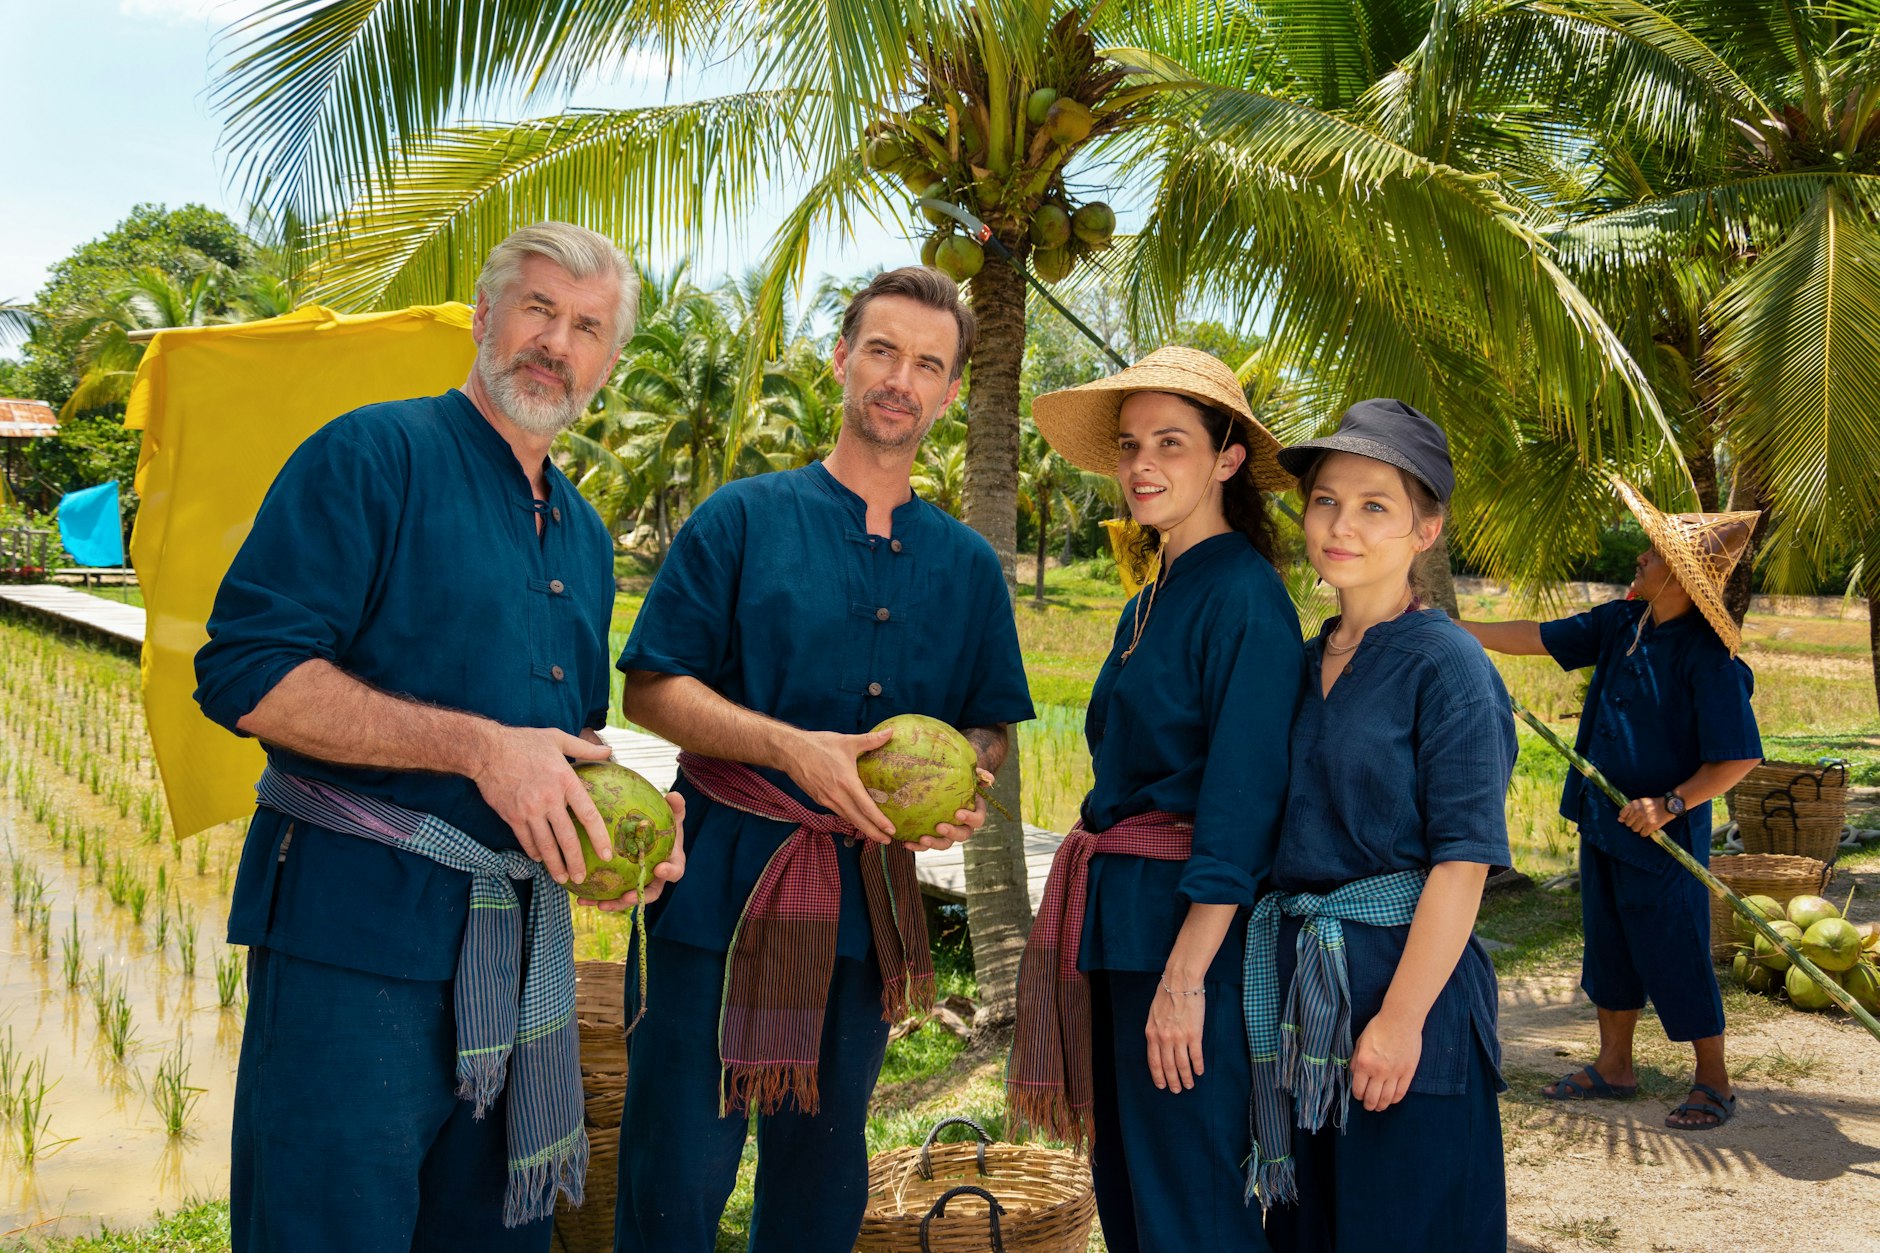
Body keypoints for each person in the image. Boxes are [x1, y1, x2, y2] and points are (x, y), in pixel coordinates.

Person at [193, 222, 685, 1250]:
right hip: (351, 943)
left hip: (511, 961)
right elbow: (246, 673)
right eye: (538, 309)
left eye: (587, 327)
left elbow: (557, 742)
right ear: (484, 316)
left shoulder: (586, 535)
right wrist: (478, 748)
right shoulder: (371, 456)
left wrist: (622, 831)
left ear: (607, 360)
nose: (556, 343)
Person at [610, 265, 1034, 1253]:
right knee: (674, 1170)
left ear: (950, 392)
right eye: (881, 350)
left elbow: (991, 725)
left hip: (865, 907)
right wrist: (789, 748)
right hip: (716, 886)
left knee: (820, 1178)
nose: (899, 378)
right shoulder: (741, 518)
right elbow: (651, 687)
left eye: (926, 364)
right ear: (841, 359)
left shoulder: (968, 567)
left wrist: (965, 779)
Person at [1008, 347, 1303, 1253]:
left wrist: (1184, 979)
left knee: (1193, 1202)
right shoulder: (1146, 603)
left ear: (1227, 459)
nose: (1142, 463)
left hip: (1187, 935)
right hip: (1120, 921)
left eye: (1171, 442)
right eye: (1131, 444)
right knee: (1131, 1192)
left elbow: (1242, 805)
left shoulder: (1246, 596)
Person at [1246, 399, 1515, 1252]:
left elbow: (1463, 862)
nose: (1342, 524)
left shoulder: (1450, 663)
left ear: (1425, 530)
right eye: (1326, 499)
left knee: (1403, 1227)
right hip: (1303, 997)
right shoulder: (1294, 661)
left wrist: (1400, 1021)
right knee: (1310, 1231)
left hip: (1406, 993)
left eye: (1374, 505)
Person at [1460, 480, 1763, 1131]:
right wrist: (1457, 629)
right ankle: (1614, 1066)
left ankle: (1714, 1080)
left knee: (1676, 948)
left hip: (1662, 839)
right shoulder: (1621, 622)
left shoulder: (1709, 657)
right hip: (1603, 822)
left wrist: (1671, 803)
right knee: (1609, 946)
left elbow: (1737, 758)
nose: (1640, 559)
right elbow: (1537, 635)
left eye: (1652, 554)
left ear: (1679, 576)